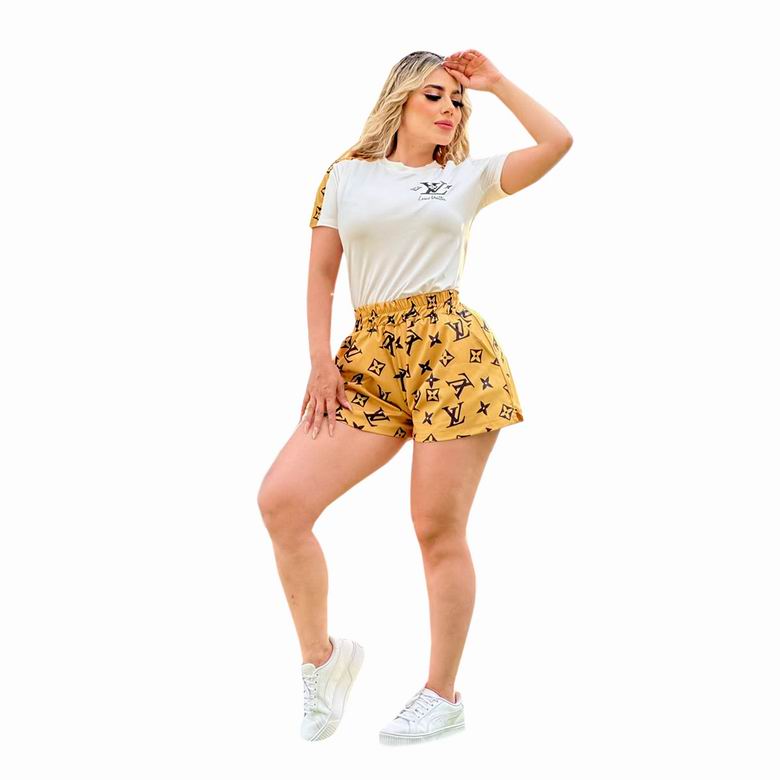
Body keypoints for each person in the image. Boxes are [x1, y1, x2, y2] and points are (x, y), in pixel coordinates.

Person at [258, 49, 573, 745]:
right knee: (282, 502)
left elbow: (557, 141)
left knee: (436, 528)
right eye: (434, 95)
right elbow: (322, 274)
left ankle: (442, 695)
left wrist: (496, 82)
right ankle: (324, 660)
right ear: (399, 99)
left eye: (458, 101)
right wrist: (320, 362)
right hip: (368, 361)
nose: (449, 108)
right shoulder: (346, 175)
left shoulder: (466, 177)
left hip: (452, 354)